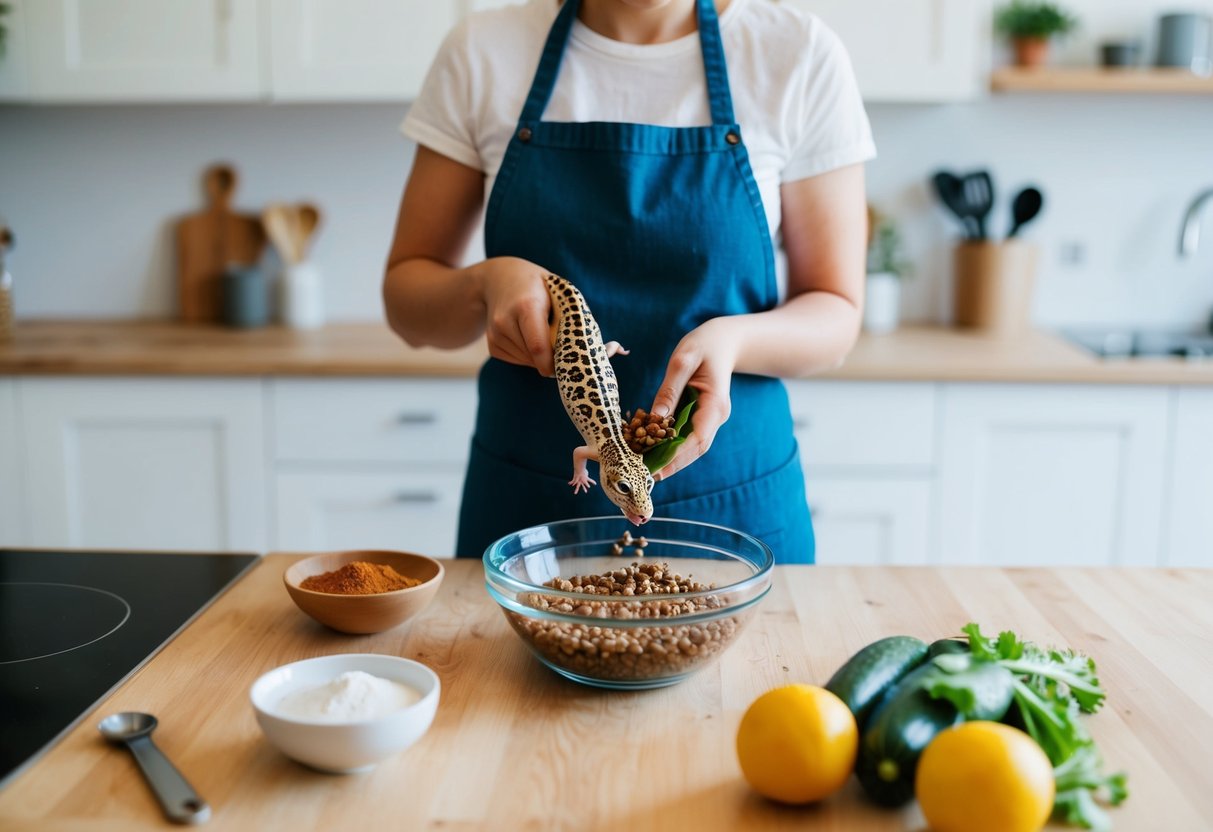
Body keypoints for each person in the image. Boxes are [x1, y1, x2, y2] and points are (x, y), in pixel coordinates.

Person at [383, 0, 874, 563]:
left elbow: (836, 313)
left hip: (735, 510)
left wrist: (733, 340)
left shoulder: (798, 55)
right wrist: (484, 284)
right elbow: (407, 300)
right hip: (528, 514)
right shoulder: (481, 51)